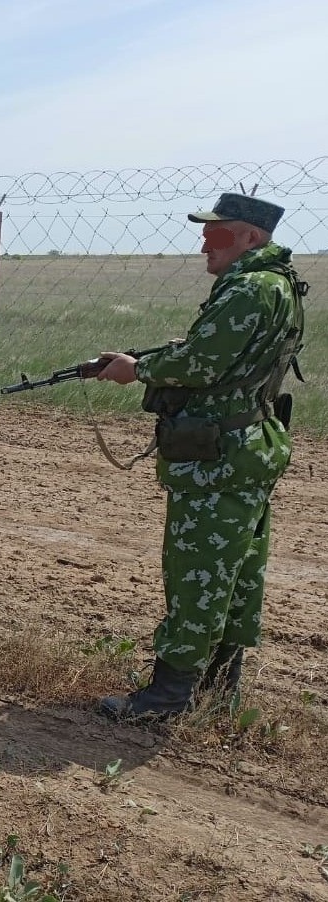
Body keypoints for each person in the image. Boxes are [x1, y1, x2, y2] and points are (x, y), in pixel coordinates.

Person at [95, 192, 306, 720]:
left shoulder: (249, 288)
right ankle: (216, 693)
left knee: (198, 574)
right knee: (235, 574)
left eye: (216, 233)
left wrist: (136, 369)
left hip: (220, 459)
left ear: (249, 238)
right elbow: (227, 357)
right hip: (249, 448)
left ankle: (168, 698)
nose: (204, 242)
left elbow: (201, 363)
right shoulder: (277, 284)